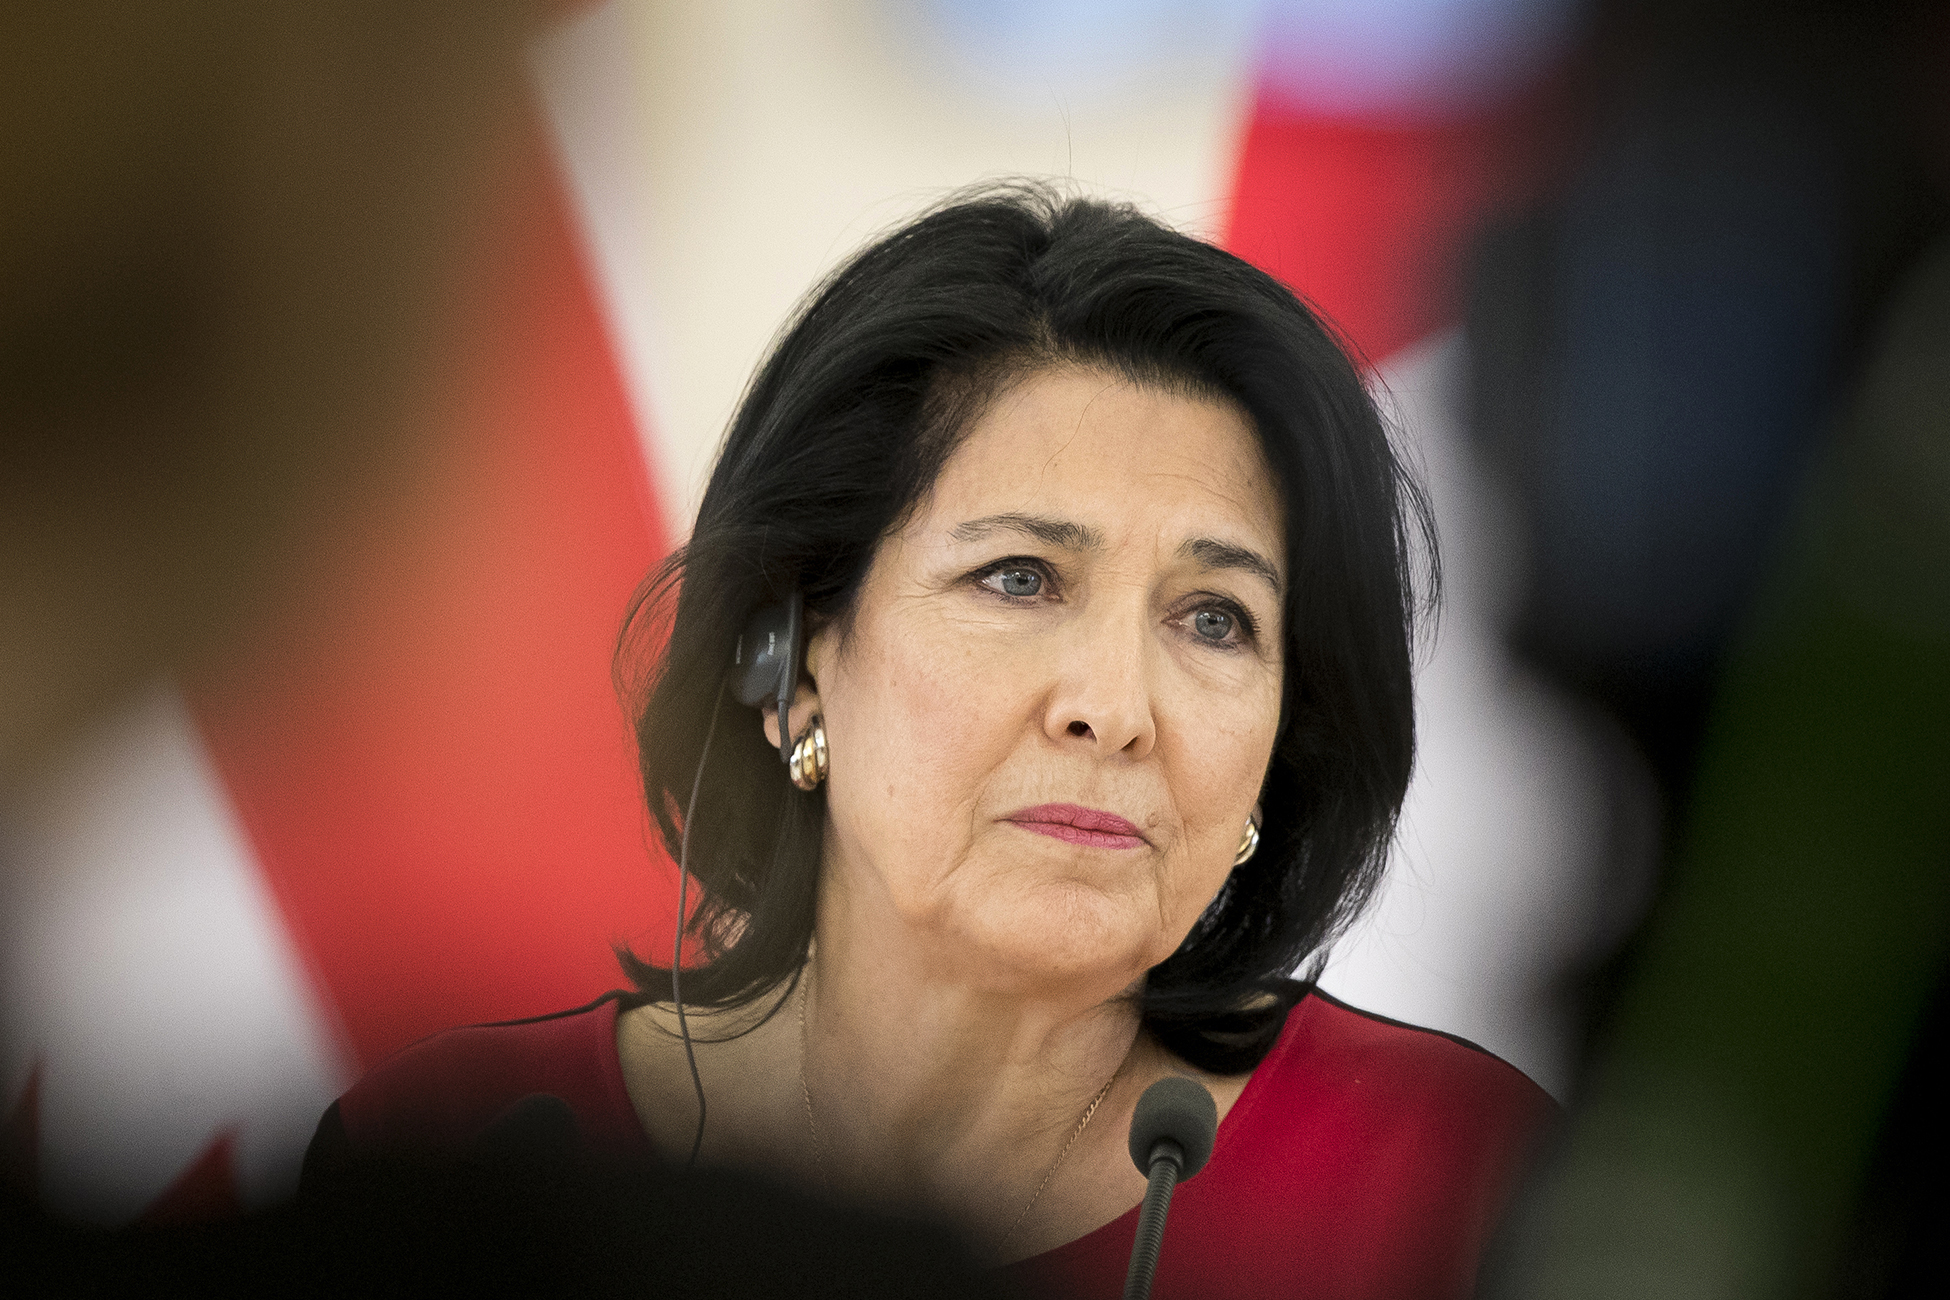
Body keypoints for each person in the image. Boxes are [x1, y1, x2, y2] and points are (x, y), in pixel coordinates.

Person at [319, 184, 1554, 1298]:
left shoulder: (1453, 1185)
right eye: (1019, 577)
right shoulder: (466, 1150)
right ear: (791, 659)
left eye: (1215, 618)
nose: (1115, 707)